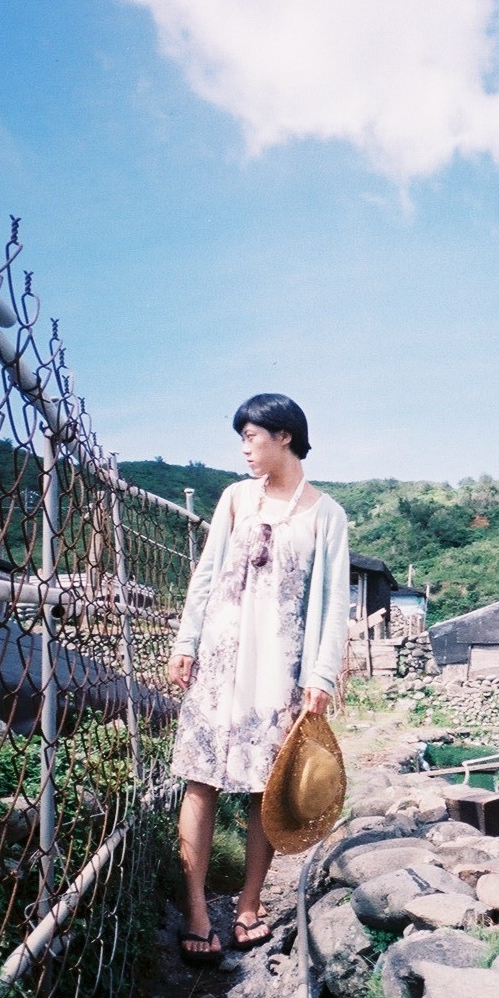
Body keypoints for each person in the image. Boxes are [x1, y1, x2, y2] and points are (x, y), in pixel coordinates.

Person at [166, 394, 351, 964]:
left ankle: (248, 905)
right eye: (242, 438)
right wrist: (185, 644)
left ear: (285, 437)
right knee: (200, 780)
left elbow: (333, 602)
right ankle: (197, 910)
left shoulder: (326, 514)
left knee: (260, 791)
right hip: (219, 663)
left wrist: (320, 676)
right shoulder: (234, 499)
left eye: (252, 436)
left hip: (278, 670)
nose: (245, 448)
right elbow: (206, 575)